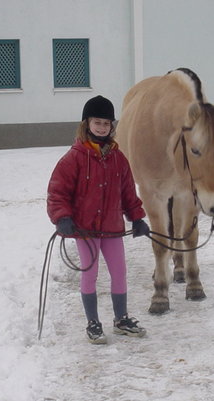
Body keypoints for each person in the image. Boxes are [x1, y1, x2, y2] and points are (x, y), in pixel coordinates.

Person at [47, 95, 150, 344]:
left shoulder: (118, 158)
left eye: (106, 123)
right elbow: (57, 192)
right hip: (85, 229)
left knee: (119, 272)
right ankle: (93, 322)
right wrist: (62, 217)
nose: (102, 128)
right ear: (86, 123)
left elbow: (127, 193)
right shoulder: (73, 158)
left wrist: (136, 218)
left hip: (112, 229)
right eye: (97, 122)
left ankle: (121, 318)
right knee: (89, 273)